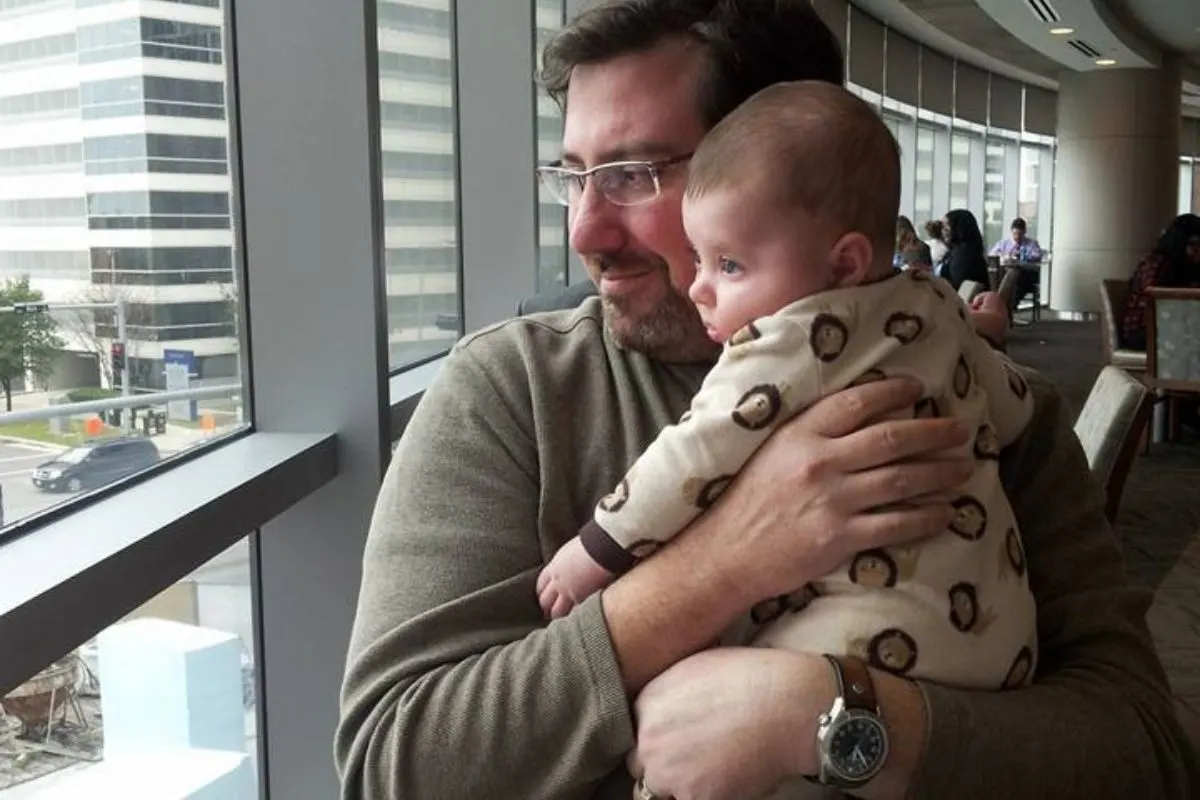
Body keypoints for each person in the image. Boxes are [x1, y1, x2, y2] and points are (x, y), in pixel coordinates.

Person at [335, 2, 1198, 799]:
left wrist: (832, 717)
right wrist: (726, 562)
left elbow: (1145, 752)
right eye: (573, 176)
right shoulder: (513, 394)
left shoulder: (974, 403)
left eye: (634, 176)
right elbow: (394, 763)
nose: (585, 234)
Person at [537, 81, 1038, 699]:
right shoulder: (934, 301)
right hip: (1004, 634)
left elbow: (690, 459)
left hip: (865, 643)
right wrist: (978, 341)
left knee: (684, 706)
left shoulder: (788, 337)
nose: (700, 287)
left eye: (729, 265)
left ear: (843, 265)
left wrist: (596, 550)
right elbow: (1014, 410)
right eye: (699, 259)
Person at [1121, 212, 1200, 350]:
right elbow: (1154, 297)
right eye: (1193, 244)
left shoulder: (1187, 266)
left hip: (1168, 326)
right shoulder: (1159, 262)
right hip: (1144, 330)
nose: (1197, 250)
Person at [990, 217, 1042, 309]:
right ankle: (1001, 304)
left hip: (1026, 274)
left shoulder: (1031, 244)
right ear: (1011, 232)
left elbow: (1037, 255)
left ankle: (1009, 306)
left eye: (1020, 234)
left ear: (1025, 232)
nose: (1017, 236)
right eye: (1015, 233)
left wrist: (1023, 256)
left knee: (1018, 277)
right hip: (1006, 272)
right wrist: (1006, 256)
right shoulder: (1004, 243)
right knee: (997, 277)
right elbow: (992, 254)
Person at [938, 208, 991, 291]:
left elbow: (956, 288)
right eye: (943, 226)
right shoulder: (967, 251)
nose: (943, 231)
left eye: (947, 226)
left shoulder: (963, 255)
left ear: (959, 227)